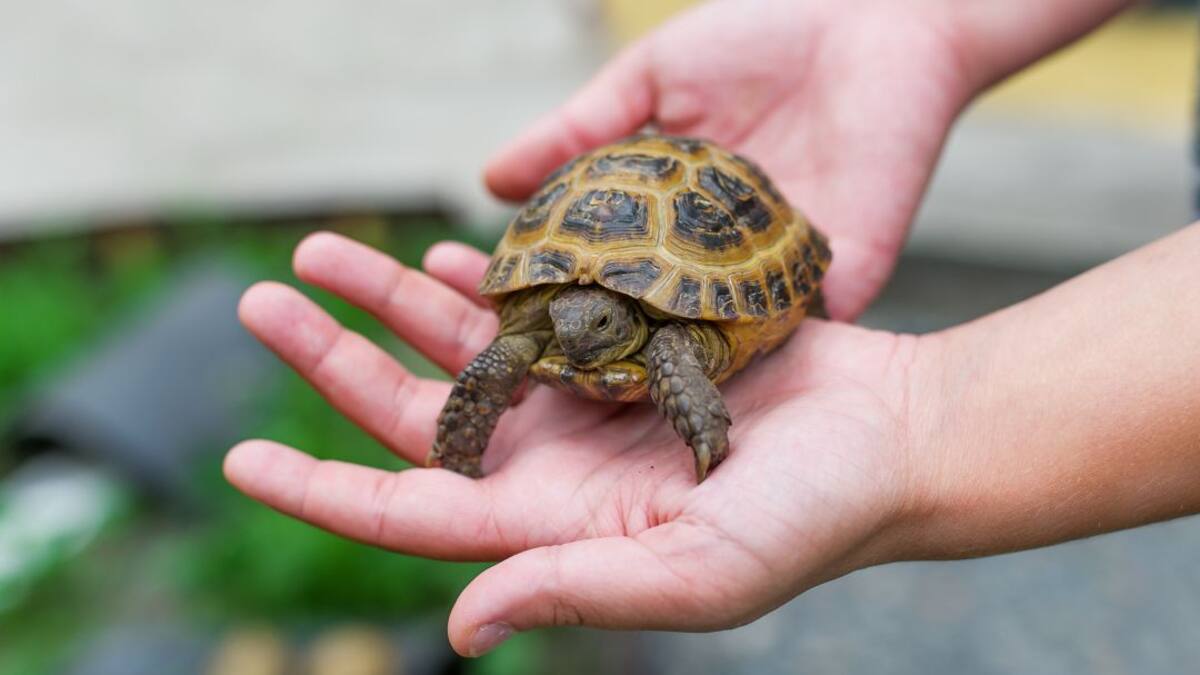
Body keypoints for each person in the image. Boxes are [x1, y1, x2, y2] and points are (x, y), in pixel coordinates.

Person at [223, 0, 1199, 658]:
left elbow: (673, 358)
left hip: (710, 245)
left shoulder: (672, 339)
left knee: (673, 361)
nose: (570, 330)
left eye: (595, 323)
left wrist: (725, 438)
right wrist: (913, 21)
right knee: (509, 357)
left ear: (624, 319)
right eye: (561, 317)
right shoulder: (544, 324)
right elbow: (506, 353)